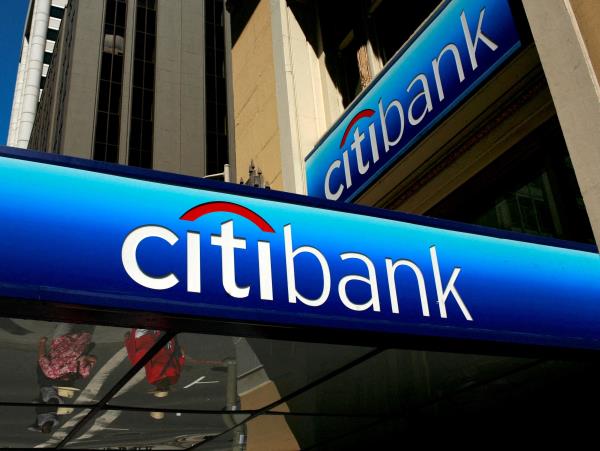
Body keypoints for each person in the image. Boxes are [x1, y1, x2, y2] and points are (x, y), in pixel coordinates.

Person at [124, 329, 185, 397]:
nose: (163, 387)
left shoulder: (153, 379)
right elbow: (178, 365)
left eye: (160, 388)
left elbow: (147, 363)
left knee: (135, 359)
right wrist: (181, 357)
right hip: (165, 347)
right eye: (164, 388)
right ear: (168, 388)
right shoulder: (173, 379)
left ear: (157, 388)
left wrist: (128, 341)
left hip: (152, 344)